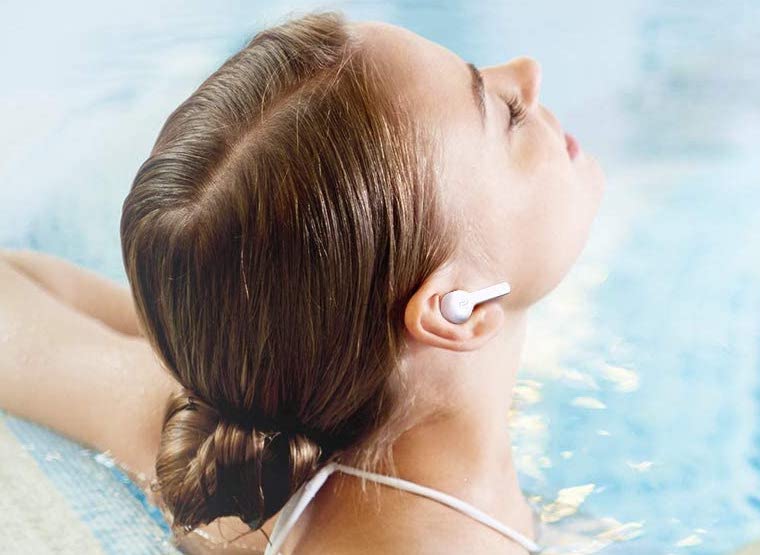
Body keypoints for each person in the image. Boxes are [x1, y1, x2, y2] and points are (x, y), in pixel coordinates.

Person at [0, 9, 605, 555]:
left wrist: (238, 356)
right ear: (455, 310)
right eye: (507, 115)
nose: (527, 72)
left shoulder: (243, 477)